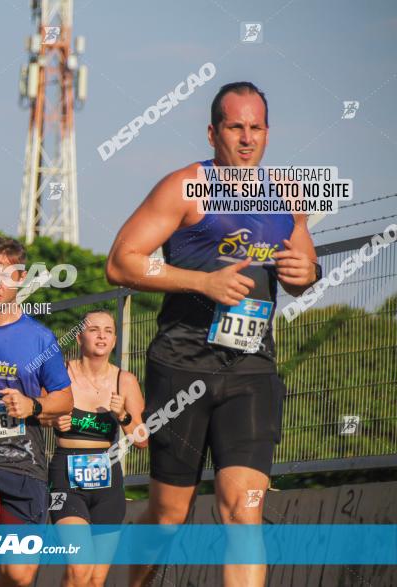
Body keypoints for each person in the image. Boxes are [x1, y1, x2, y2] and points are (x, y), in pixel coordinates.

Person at [106, 82, 321, 587]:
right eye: (235, 127)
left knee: (242, 513)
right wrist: (202, 282)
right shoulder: (184, 187)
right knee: (168, 516)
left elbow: (306, 265)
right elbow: (121, 262)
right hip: (181, 368)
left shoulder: (288, 191)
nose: (247, 139)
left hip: (250, 368)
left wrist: (304, 273)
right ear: (212, 132)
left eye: (256, 128)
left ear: (267, 132)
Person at [0, 237, 73, 587]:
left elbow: (64, 400)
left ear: (21, 278)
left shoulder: (39, 337)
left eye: (5, 275)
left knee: (19, 574)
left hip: (24, 460)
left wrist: (32, 405)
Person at [44, 310, 146, 587]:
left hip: (107, 476)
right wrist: (52, 418)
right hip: (66, 474)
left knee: (95, 579)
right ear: (79, 337)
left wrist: (124, 415)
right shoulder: (60, 373)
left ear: (114, 341)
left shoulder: (125, 380)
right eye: (94, 329)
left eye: (109, 331)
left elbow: (142, 439)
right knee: (80, 568)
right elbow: (37, 412)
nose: (102, 335)